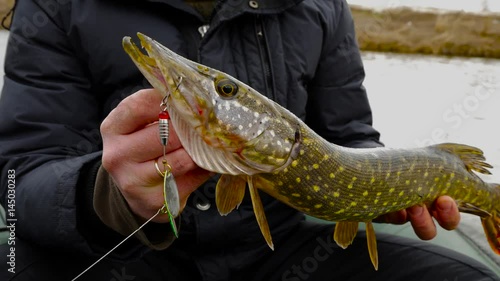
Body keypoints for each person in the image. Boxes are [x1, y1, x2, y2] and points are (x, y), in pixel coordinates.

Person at [0, 0, 497, 280]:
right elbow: (19, 184)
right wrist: (105, 195)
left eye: (224, 91)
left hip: (286, 254)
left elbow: (352, 137)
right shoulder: (57, 6)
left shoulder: (319, 6)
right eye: (224, 91)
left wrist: (381, 188)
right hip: (135, 259)